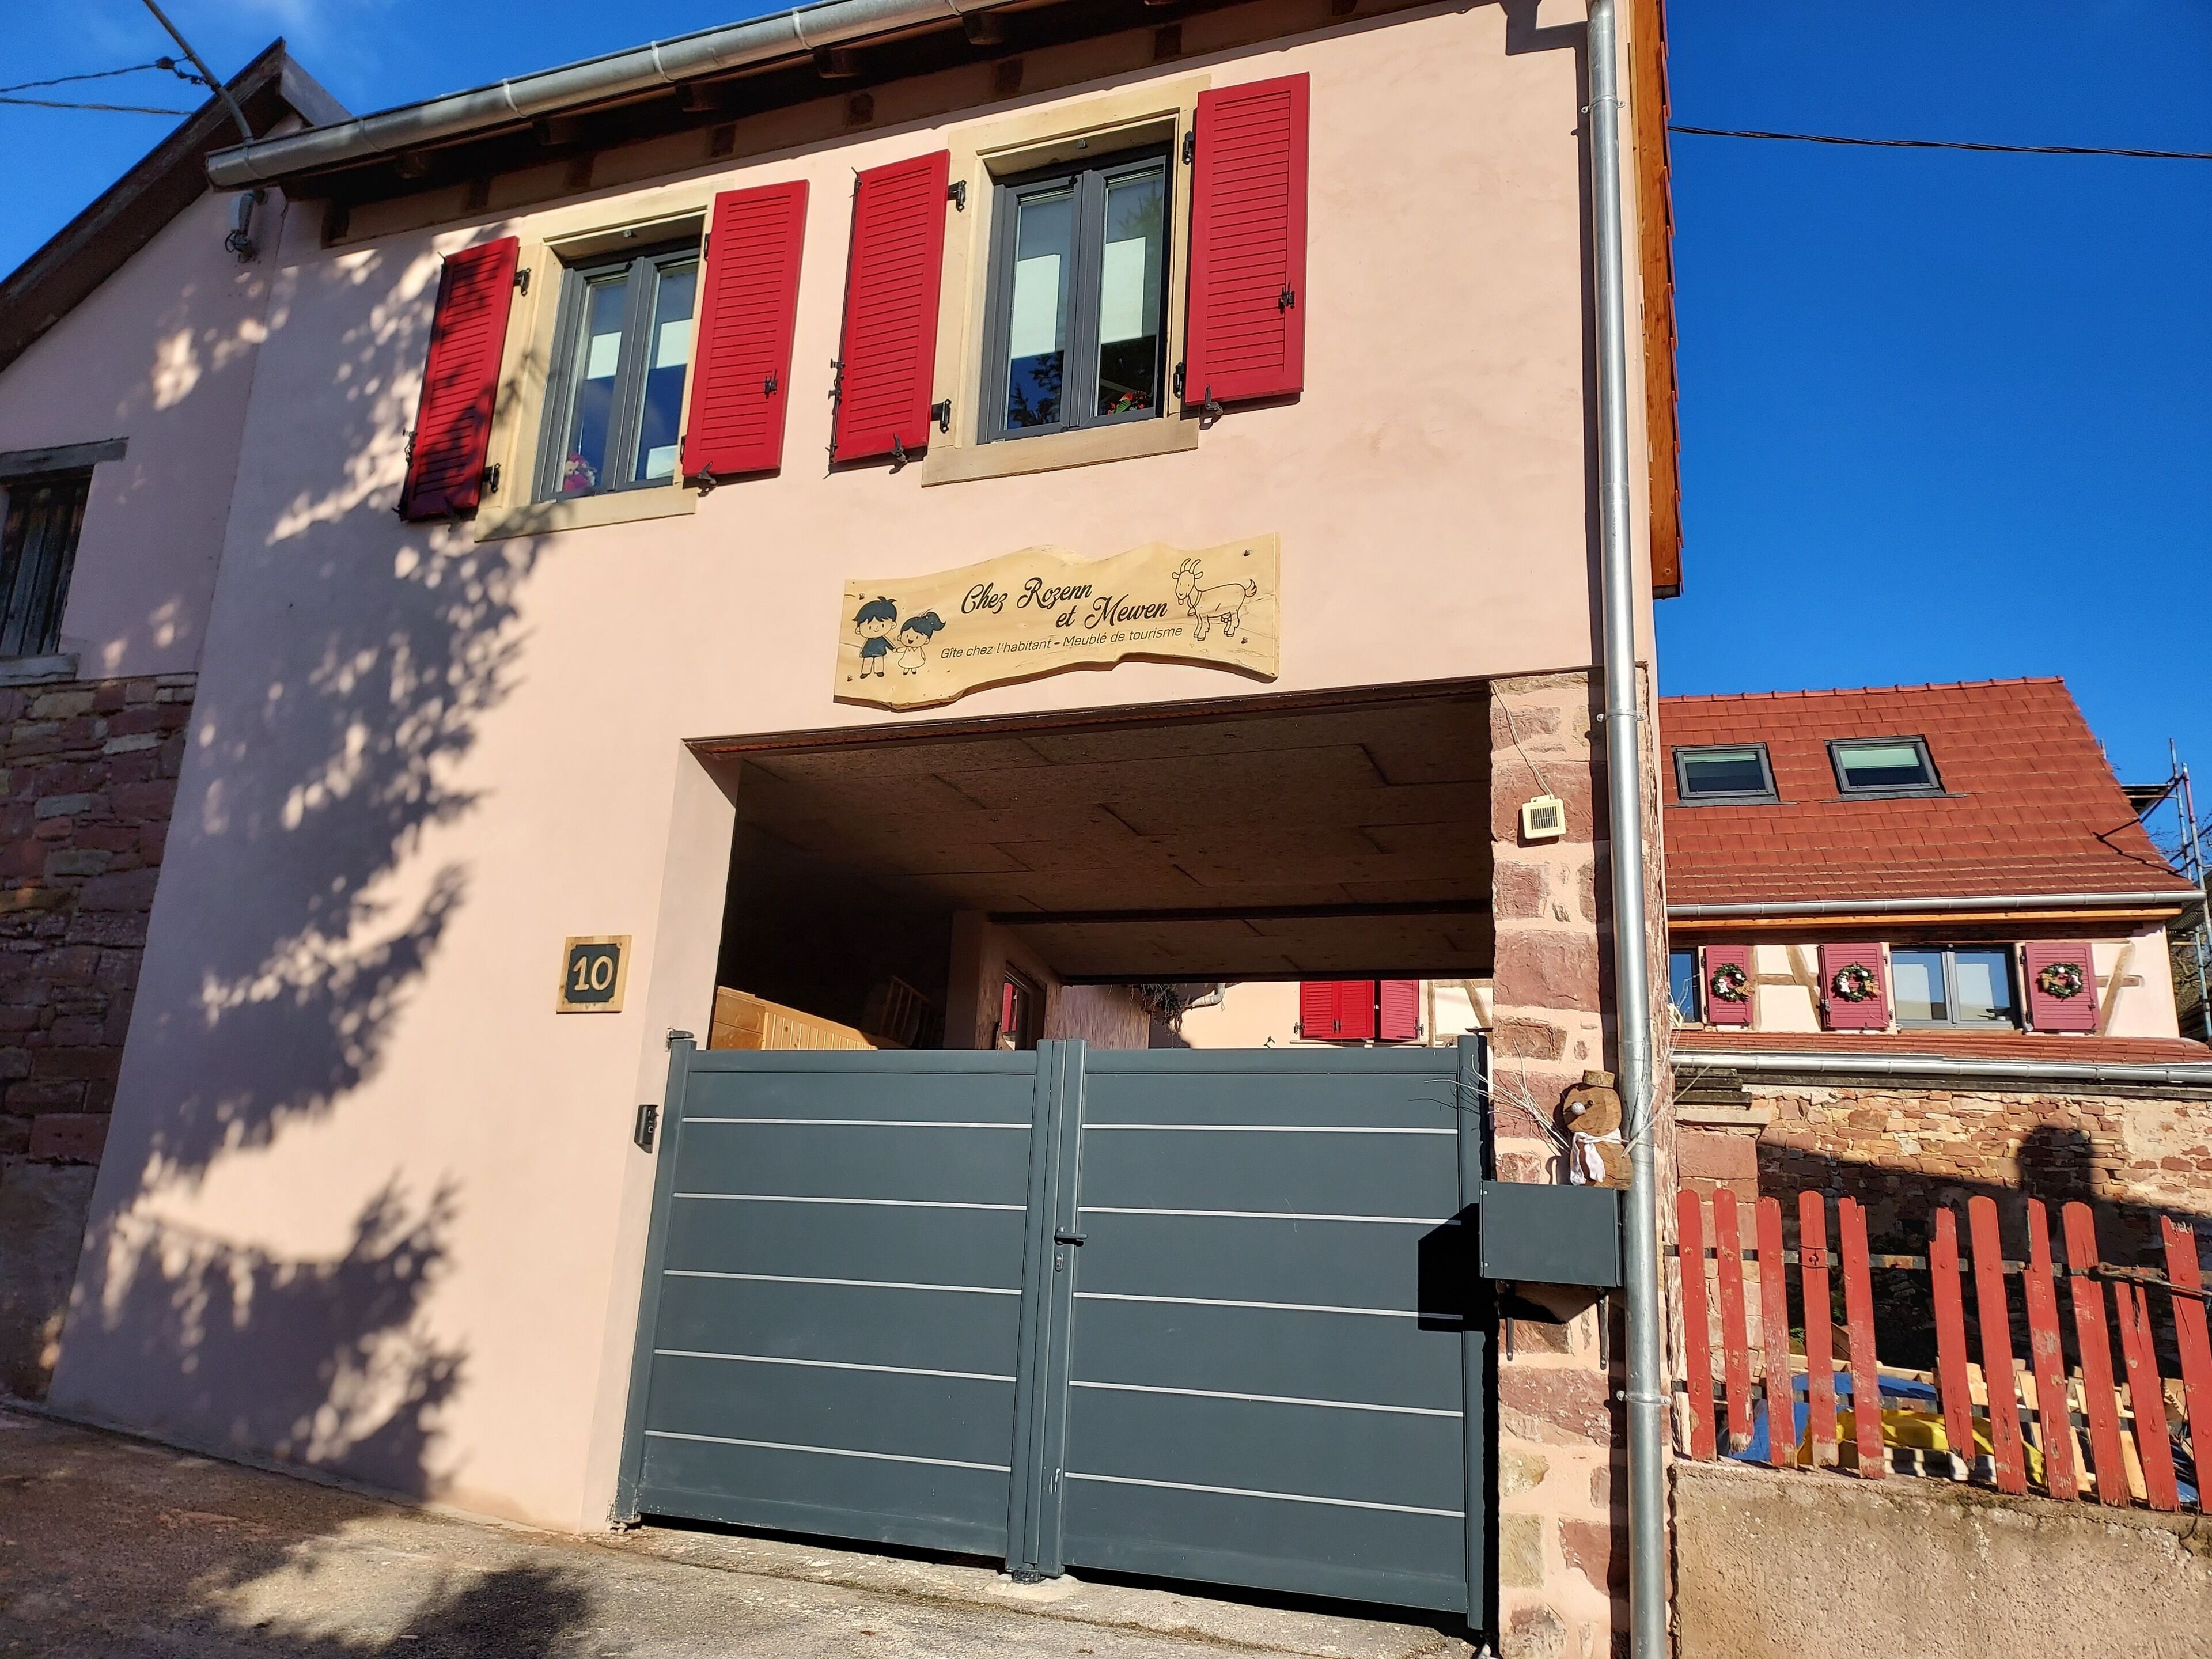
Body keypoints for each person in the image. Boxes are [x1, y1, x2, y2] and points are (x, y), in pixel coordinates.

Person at [853, 596, 898, 679]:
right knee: (868, 661)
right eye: (870, 627)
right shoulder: (869, 640)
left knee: (879, 661)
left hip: (879, 652)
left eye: (883, 625)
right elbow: (864, 646)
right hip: (868, 653)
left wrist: (893, 649)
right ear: (859, 630)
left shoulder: (881, 639)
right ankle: (865, 672)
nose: (876, 629)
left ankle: (879, 671)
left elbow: (887, 643)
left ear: (893, 625)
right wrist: (861, 652)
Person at [896, 611, 945, 676]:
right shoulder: (908, 648)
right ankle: (906, 671)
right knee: (906, 664)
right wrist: (898, 650)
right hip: (907, 658)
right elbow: (902, 649)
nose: (910, 640)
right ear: (900, 637)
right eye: (907, 636)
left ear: (926, 641)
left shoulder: (918, 649)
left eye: (917, 637)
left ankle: (914, 670)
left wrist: (923, 657)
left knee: (914, 664)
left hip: (916, 659)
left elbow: (922, 653)